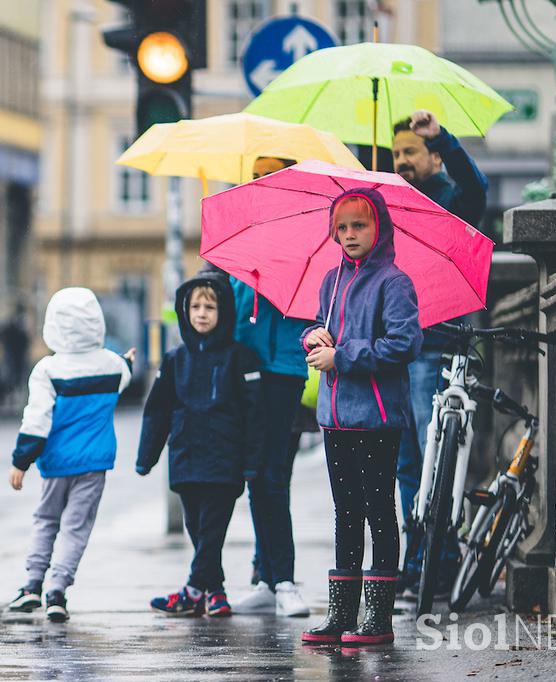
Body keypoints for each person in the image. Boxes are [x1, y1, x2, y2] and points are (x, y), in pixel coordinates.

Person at [298, 188, 422, 646]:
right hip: (335, 417)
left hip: (376, 418)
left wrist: (343, 356)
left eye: (360, 225)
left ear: (379, 228)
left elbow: (404, 344)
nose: (350, 235)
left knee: (378, 512)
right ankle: (341, 614)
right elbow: (316, 327)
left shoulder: (394, 283)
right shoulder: (331, 280)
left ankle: (377, 617)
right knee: (345, 513)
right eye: (342, 227)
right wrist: (314, 338)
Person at [392, 110, 488, 595]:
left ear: (431, 156)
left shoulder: (450, 198)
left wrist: (444, 139)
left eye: (411, 152)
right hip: (396, 348)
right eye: (396, 154)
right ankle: (416, 560)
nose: (402, 161)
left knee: (437, 460)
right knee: (409, 464)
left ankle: (438, 557)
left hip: (436, 345)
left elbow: (477, 189)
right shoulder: (388, 203)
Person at [138, 273, 266, 618]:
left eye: (210, 306)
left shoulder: (242, 358)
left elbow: (255, 416)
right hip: (186, 456)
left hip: (225, 460)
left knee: (212, 530)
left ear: (223, 311)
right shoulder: (175, 359)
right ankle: (215, 591)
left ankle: (192, 590)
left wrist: (252, 461)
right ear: (185, 311)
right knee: (197, 529)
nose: (202, 313)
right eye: (195, 306)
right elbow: (158, 409)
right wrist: (146, 456)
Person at [7, 287, 134, 623]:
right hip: (94, 464)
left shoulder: (48, 370)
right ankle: (58, 592)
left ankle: (32, 584)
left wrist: (22, 461)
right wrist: (128, 362)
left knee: (46, 520)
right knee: (77, 528)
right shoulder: (112, 365)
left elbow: (37, 418)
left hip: (56, 464)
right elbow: (124, 374)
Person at [230, 155, 312, 617]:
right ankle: (265, 575)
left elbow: (312, 302)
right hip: (245, 370)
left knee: (273, 474)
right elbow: (235, 301)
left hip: (283, 369)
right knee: (257, 476)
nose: (261, 182)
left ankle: (283, 579)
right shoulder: (243, 233)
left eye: (271, 174)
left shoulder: (302, 234)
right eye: (256, 175)